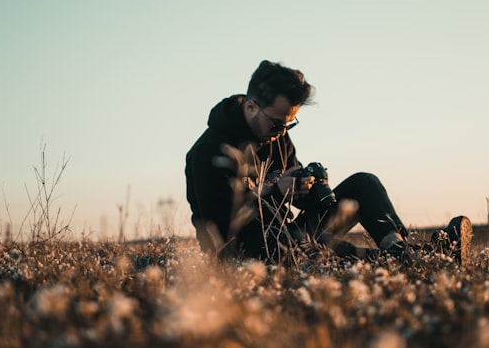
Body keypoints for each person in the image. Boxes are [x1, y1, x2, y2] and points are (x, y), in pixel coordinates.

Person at [185, 60, 472, 264]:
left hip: (287, 234)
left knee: (363, 183)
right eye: (276, 124)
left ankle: (399, 248)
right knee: (299, 247)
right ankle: (410, 261)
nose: (281, 133)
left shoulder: (277, 136)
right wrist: (274, 189)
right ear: (251, 106)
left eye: (289, 124)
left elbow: (299, 203)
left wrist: (309, 189)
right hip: (245, 252)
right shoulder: (208, 152)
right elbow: (222, 228)